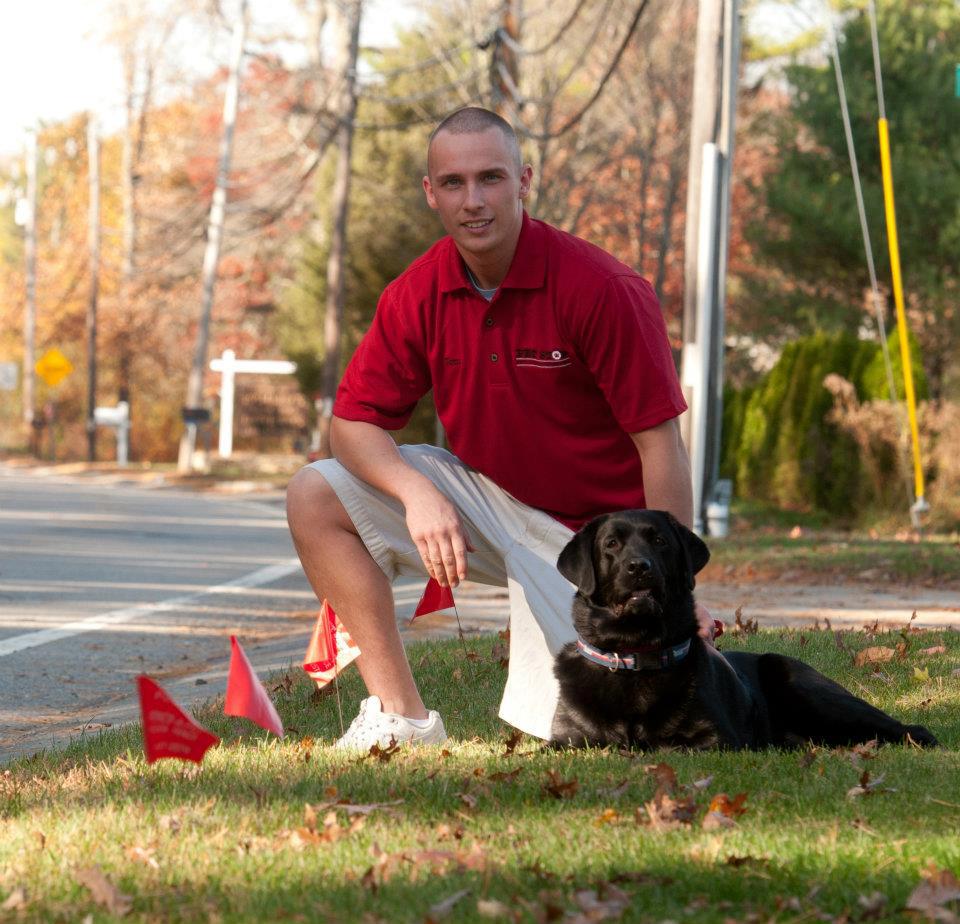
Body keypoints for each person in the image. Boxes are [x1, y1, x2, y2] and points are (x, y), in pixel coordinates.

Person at [286, 106, 705, 751]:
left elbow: (661, 444)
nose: (473, 200)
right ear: (431, 193)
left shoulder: (603, 288)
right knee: (315, 493)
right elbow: (353, 423)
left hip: (592, 544)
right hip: (487, 500)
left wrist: (675, 590)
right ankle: (402, 718)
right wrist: (417, 493)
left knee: (607, 733)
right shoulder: (417, 292)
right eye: (453, 183)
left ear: (524, 181)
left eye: (490, 178)